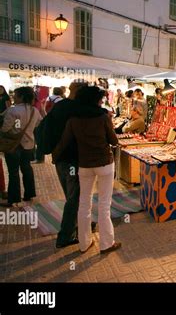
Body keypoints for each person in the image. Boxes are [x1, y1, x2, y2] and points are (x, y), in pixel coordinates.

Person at [52, 86, 121, 254]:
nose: (101, 101)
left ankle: (84, 243)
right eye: (100, 99)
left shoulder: (74, 119)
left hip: (84, 165)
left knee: (84, 204)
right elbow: (113, 140)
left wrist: (55, 157)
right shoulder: (103, 117)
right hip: (104, 164)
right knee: (104, 205)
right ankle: (106, 243)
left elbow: (64, 141)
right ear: (95, 100)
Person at [39, 80, 105, 249]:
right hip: (72, 160)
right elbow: (97, 113)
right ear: (79, 91)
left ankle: (81, 225)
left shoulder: (62, 106)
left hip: (61, 158)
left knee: (74, 196)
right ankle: (66, 236)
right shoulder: (76, 108)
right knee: (75, 198)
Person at [0, 87, 42, 207]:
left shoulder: (13, 111)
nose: (13, 97)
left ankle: (14, 199)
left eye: (16, 95)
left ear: (22, 97)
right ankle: (29, 194)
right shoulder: (35, 110)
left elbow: (5, 128)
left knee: (13, 172)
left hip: (13, 146)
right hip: (28, 145)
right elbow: (38, 123)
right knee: (27, 169)